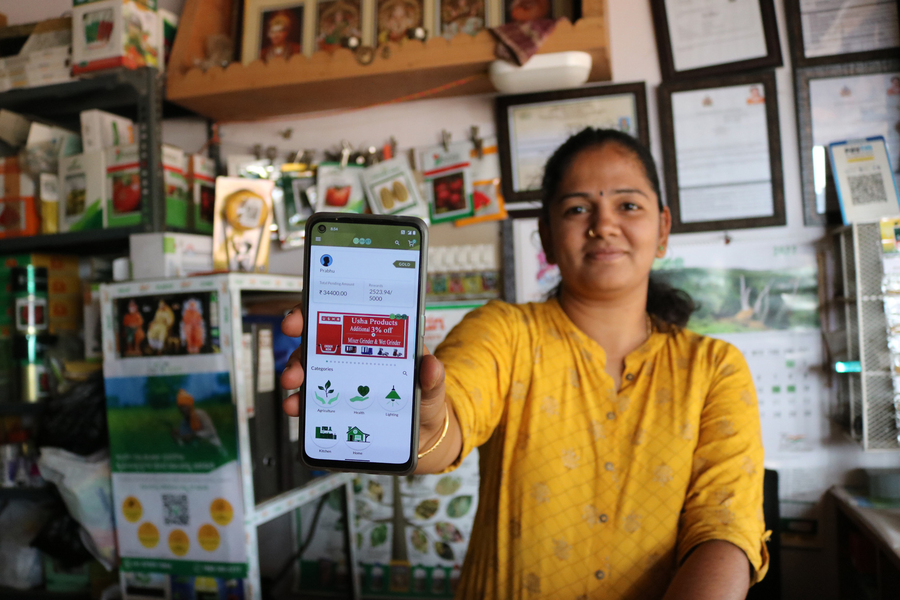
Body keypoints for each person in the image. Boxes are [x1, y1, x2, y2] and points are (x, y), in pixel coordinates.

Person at [281, 128, 768, 599]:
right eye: (578, 208)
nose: (603, 224)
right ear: (547, 236)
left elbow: (725, 529)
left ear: (662, 229)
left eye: (628, 205)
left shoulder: (715, 368)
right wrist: (416, 422)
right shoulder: (504, 333)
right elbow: (447, 422)